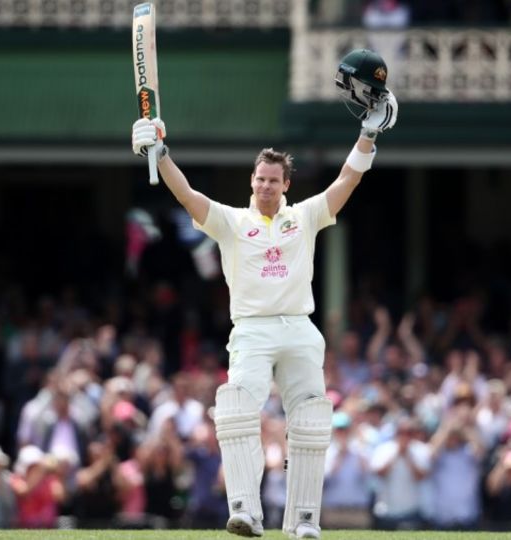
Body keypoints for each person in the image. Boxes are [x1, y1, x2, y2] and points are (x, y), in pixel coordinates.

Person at [131, 48, 397, 539]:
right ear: (251, 182)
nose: (265, 186)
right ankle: (246, 511)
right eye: (259, 179)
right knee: (234, 406)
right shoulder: (234, 222)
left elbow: (347, 180)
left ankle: (303, 522)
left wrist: (368, 134)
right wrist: (161, 154)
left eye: (273, 180)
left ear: (286, 184)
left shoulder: (306, 216)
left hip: (298, 325)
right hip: (251, 328)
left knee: (312, 417)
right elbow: (187, 195)